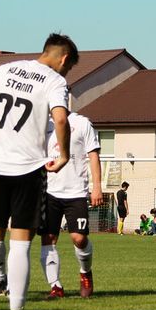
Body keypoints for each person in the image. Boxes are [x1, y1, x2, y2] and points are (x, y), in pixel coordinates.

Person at [0, 33, 77, 310]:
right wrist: (64, 154)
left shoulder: (8, 69)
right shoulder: (54, 82)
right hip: (28, 168)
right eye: (68, 68)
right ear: (64, 59)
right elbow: (62, 120)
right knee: (20, 245)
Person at [40, 110, 103, 300]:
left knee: (79, 238)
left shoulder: (82, 123)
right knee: (48, 238)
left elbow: (93, 155)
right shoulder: (41, 124)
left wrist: (97, 187)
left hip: (76, 191)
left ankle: (86, 273)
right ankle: (55, 287)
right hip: (49, 191)